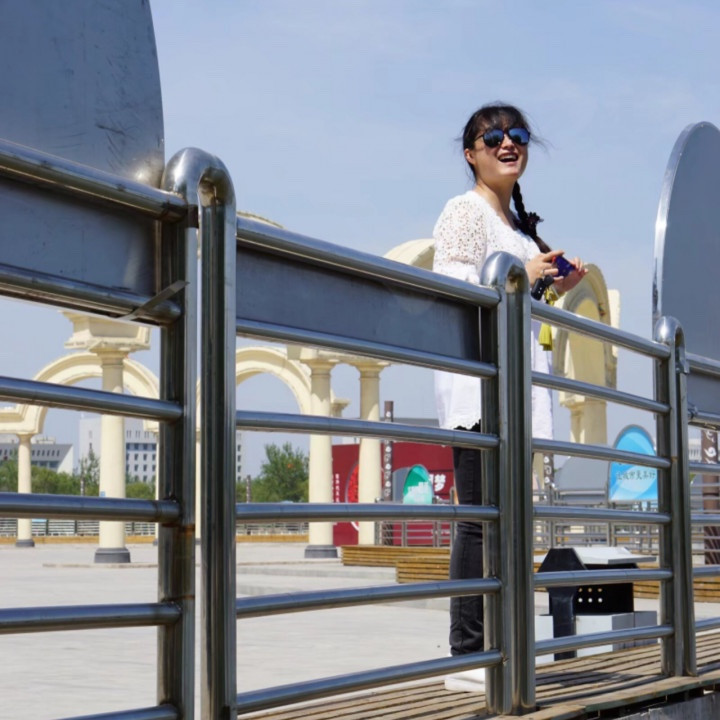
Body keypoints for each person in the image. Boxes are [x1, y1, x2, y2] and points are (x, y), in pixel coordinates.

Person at [432, 103, 587, 692]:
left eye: (517, 135)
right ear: (470, 153)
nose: (507, 144)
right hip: (479, 389)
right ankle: (467, 653)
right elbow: (450, 284)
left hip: (515, 392)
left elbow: (520, 308)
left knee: (511, 523)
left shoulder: (519, 228)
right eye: (492, 136)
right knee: (479, 521)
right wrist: (524, 267)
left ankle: (504, 644)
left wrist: (551, 283)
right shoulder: (464, 211)